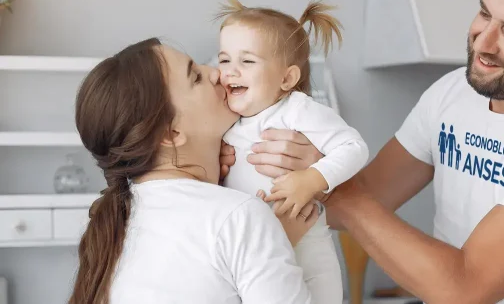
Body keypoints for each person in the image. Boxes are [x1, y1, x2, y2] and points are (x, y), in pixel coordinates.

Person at [220, 0, 504, 303]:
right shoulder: (454, 91)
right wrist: (252, 165)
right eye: (484, 13)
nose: (482, 43)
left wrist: (326, 177)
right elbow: (350, 204)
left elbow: (464, 290)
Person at [68, 37, 319, 304]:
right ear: (171, 133)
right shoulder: (238, 218)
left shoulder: (119, 224)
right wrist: (274, 242)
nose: (215, 73)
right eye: (196, 77)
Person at [216, 0, 369, 304]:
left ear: (287, 78)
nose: (231, 71)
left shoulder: (296, 109)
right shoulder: (226, 115)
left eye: (246, 61)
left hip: (307, 246)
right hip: (255, 252)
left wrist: (312, 179)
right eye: (223, 60)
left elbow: (354, 147)